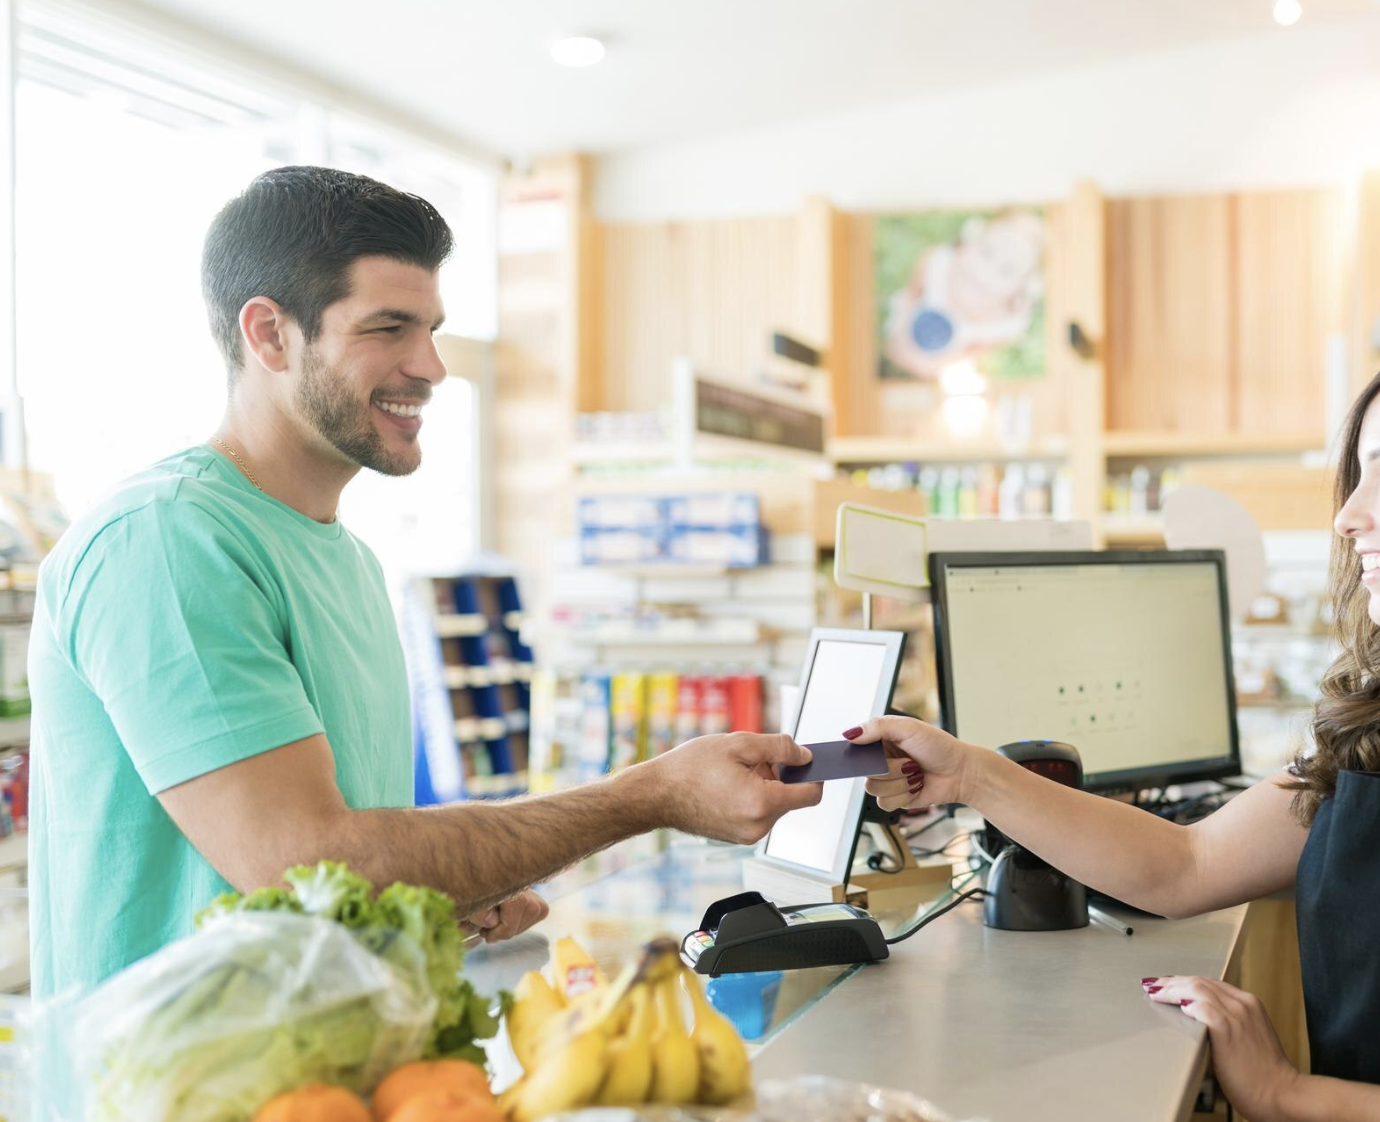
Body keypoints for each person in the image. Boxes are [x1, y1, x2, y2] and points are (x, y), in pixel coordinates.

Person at [27, 166, 822, 1001]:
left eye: (433, 328)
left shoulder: (347, 560)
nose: (432, 366)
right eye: (389, 328)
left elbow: (350, 872)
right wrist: (647, 795)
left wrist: (448, 890)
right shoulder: (167, 540)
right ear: (268, 335)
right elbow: (306, 866)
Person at [853, 376, 1380, 1122]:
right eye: (1360, 475)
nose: (1349, 516)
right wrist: (972, 773)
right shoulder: (1369, 735)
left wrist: (1286, 1092)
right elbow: (1183, 865)